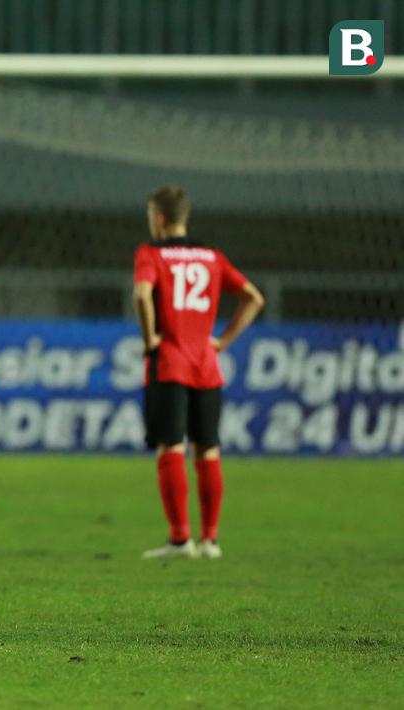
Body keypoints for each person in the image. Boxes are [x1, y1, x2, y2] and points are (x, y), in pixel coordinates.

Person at [133, 185, 264, 560]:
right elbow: (254, 298)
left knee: (171, 446)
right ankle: (210, 541)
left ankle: (180, 540)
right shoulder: (212, 256)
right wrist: (222, 340)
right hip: (206, 364)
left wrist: (149, 339)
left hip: (169, 361)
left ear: (159, 217)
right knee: (208, 450)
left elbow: (142, 295)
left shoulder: (150, 253)